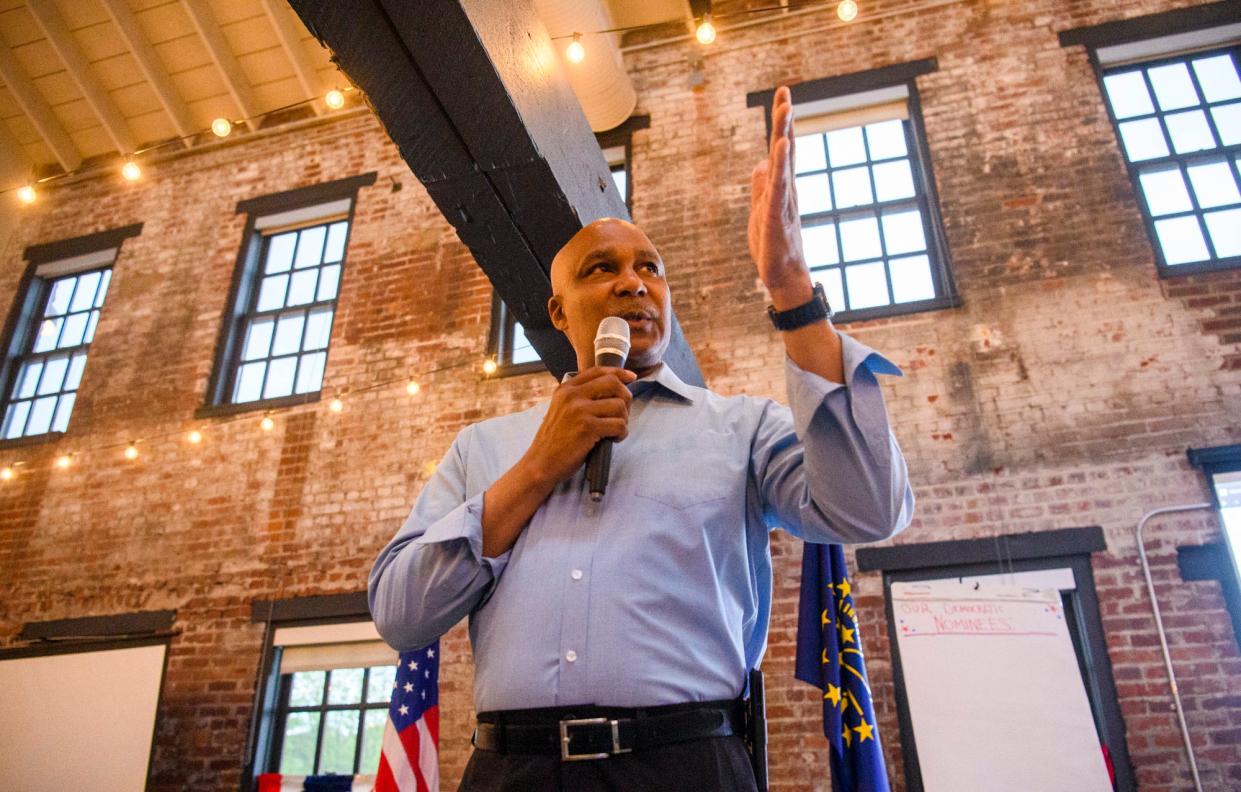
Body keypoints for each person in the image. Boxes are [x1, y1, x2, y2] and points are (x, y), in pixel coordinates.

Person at [368, 86, 914, 791]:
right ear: (558, 311)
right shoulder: (484, 450)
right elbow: (401, 614)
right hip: (512, 771)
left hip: (687, 764)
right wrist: (538, 468)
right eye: (603, 269)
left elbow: (868, 511)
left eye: (649, 269)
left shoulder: (740, 428)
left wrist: (790, 288)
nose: (634, 284)